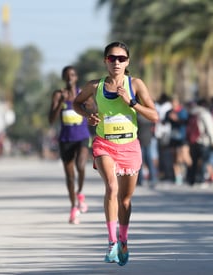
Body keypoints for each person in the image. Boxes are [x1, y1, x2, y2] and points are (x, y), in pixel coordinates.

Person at [72, 41, 158, 266]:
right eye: (112, 58)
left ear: (127, 61)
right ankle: (111, 244)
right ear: (105, 61)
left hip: (130, 146)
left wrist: (132, 103)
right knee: (111, 187)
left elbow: (154, 115)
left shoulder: (136, 84)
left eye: (121, 58)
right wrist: (87, 116)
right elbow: (76, 103)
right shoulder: (95, 86)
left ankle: (123, 240)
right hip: (104, 144)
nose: (116, 62)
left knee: (126, 200)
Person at [48, 65, 91, 225]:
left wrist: (87, 106)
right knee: (70, 176)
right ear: (63, 78)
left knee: (81, 165)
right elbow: (51, 120)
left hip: (82, 137)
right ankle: (74, 207)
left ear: (76, 77)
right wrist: (60, 102)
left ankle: (80, 193)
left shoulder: (83, 94)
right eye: (66, 75)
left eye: (72, 75)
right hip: (66, 139)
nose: (69, 78)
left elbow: (94, 109)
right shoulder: (58, 94)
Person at [164, 96, 191, 185]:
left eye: (174, 103)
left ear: (178, 103)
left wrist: (176, 119)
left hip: (182, 138)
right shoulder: (169, 112)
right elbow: (164, 121)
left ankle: (191, 172)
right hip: (173, 138)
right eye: (172, 103)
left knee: (184, 157)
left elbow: (186, 122)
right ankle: (177, 177)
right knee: (175, 158)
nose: (173, 105)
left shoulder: (182, 111)